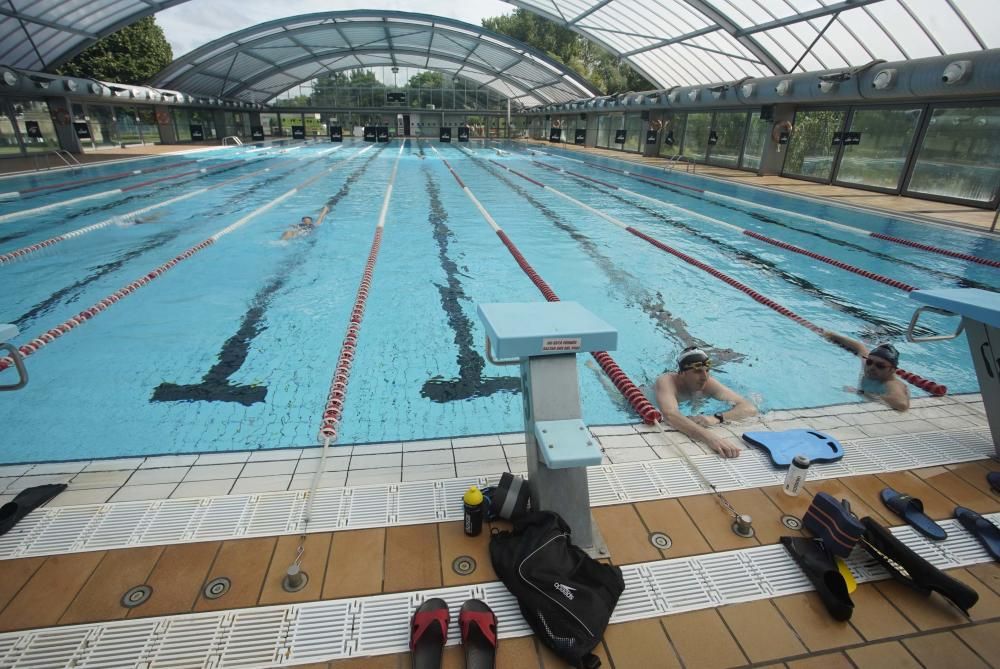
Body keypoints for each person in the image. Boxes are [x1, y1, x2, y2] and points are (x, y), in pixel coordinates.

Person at [654, 347, 757, 458]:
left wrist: (715, 418)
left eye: (707, 370)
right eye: (698, 371)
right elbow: (670, 415)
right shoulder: (666, 381)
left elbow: (749, 408)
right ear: (682, 374)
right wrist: (710, 438)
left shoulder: (708, 383)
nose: (704, 377)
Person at [823, 332, 909, 411]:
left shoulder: (891, 383)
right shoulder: (867, 364)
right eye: (869, 362)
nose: (872, 367)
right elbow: (859, 346)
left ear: (892, 370)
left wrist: (862, 393)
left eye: (880, 366)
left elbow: (902, 405)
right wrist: (832, 335)